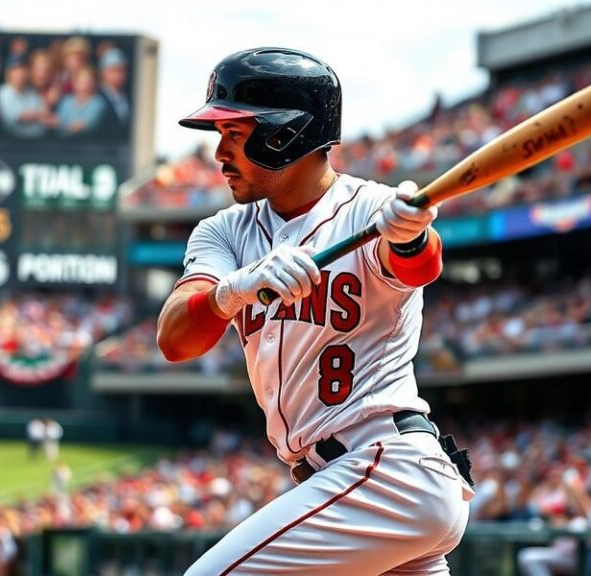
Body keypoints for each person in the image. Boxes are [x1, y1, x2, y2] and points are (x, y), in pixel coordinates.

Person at [157, 47, 473, 575]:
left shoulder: (371, 210)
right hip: (353, 486)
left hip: (385, 467)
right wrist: (232, 291)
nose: (219, 153)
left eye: (234, 134)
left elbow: (419, 266)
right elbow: (174, 339)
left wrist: (411, 234)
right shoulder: (223, 233)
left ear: (284, 134)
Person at [0, 55, 50, 138]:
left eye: (23, 69)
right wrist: (36, 115)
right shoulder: (3, 92)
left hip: (37, 140)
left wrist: (36, 115)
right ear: (9, 73)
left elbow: (45, 115)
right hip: (14, 142)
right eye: (16, 70)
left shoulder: (32, 92)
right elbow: (10, 120)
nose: (20, 73)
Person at [56, 66, 106, 137]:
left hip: (88, 143)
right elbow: (57, 125)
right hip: (63, 142)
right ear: (74, 83)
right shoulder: (66, 101)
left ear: (95, 84)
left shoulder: (99, 103)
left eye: (88, 82)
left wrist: (61, 124)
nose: (84, 86)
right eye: (81, 82)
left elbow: (82, 127)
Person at [97, 48, 131, 138]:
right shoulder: (96, 96)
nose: (120, 75)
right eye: (115, 70)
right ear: (103, 72)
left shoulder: (129, 96)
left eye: (123, 70)